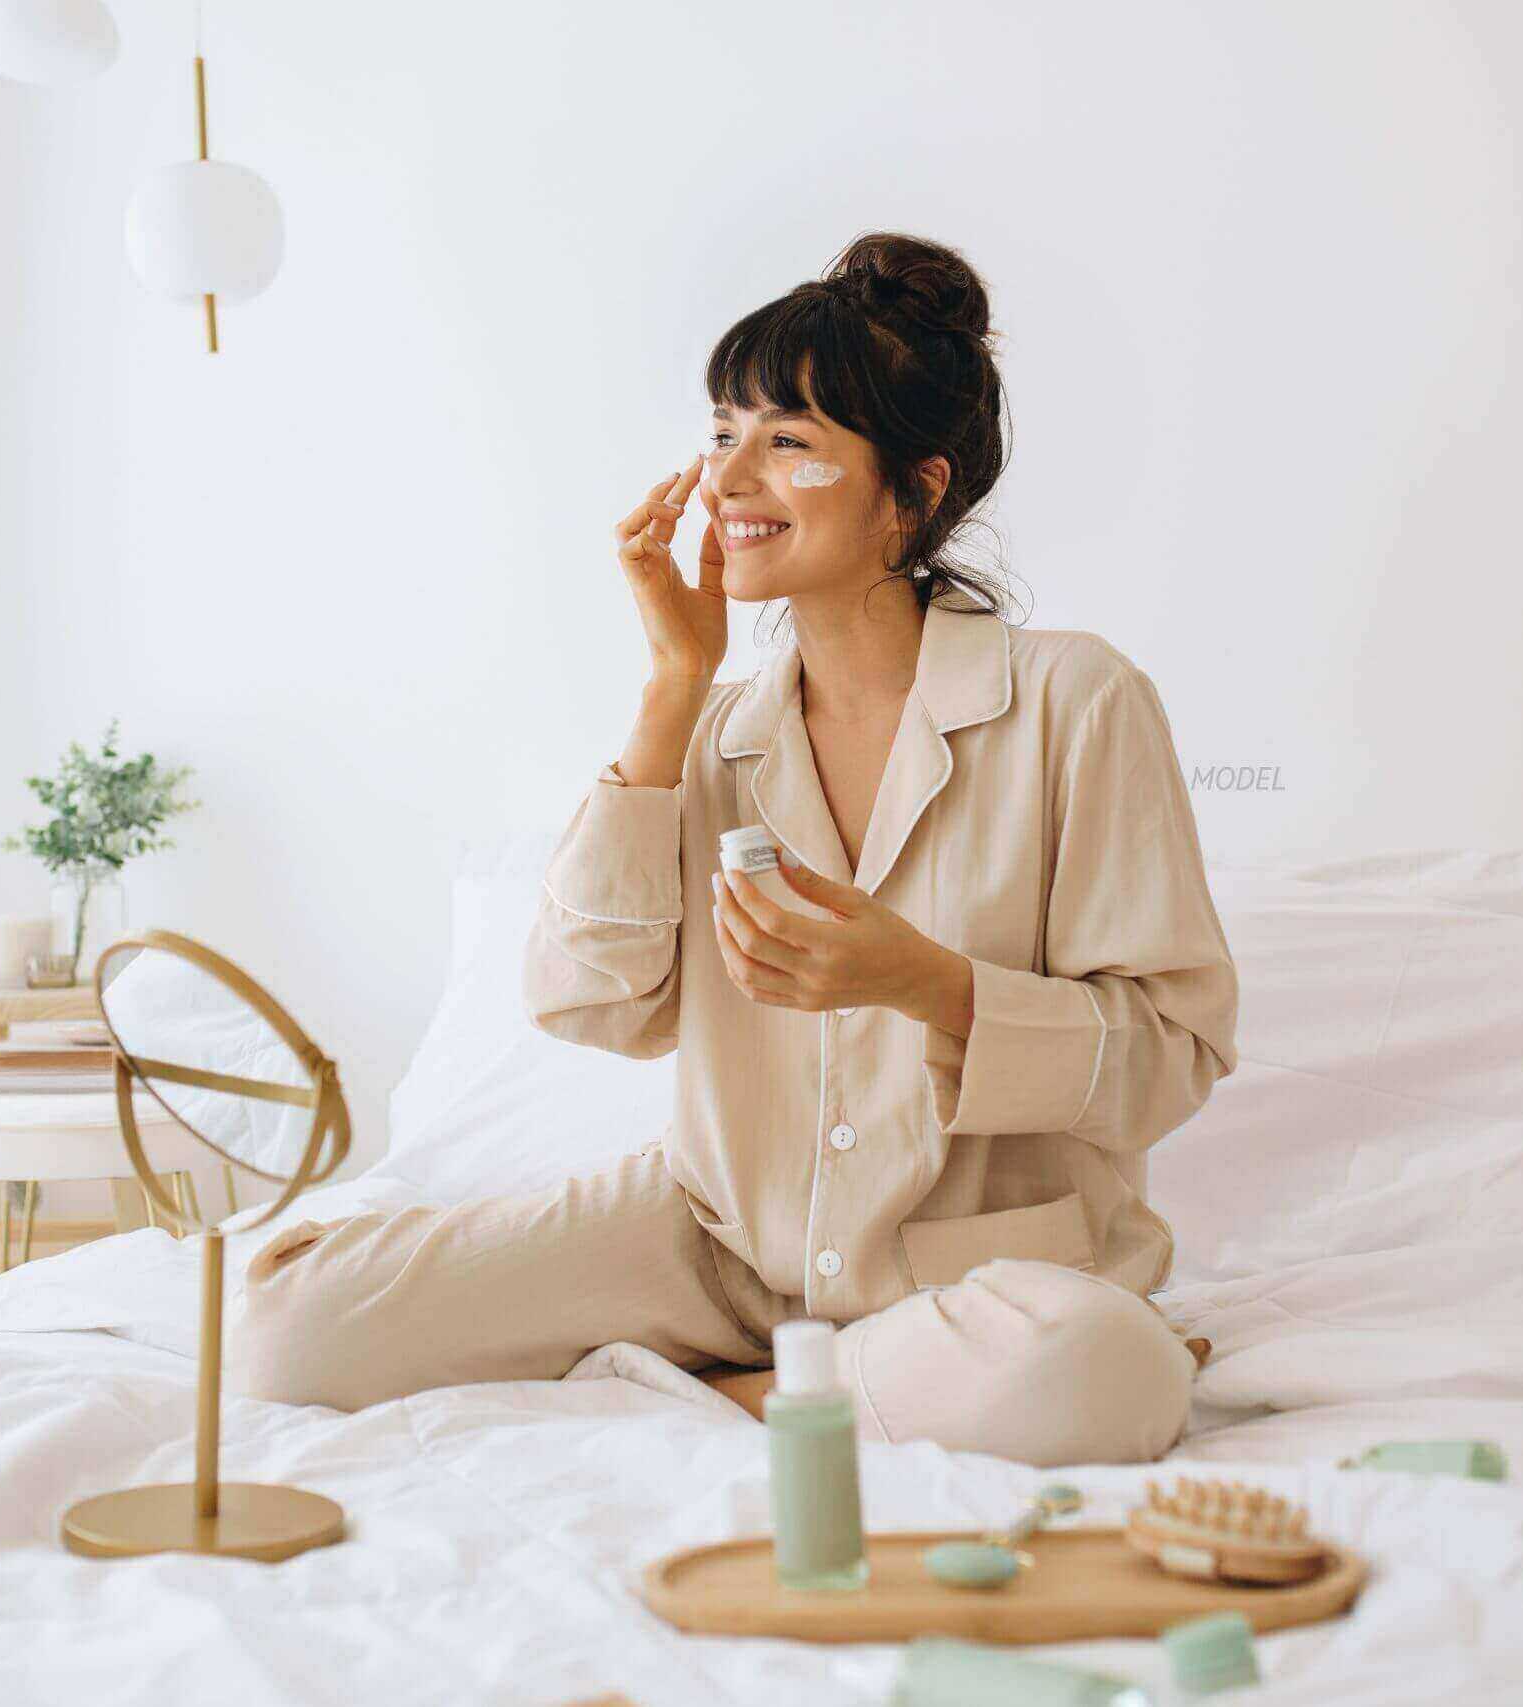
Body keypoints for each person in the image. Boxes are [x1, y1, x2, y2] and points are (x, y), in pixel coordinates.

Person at [234, 233, 1239, 1467]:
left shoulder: (1074, 701)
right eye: (723, 433)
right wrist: (671, 686)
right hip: (719, 1242)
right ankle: (807, 1382)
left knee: (1099, 1370)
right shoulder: (714, 733)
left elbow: (1171, 1061)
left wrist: (922, 983)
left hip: (969, 1275)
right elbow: (590, 1003)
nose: (729, 480)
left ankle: (763, 1391)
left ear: (914, 495)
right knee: (288, 1325)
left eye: (791, 442)